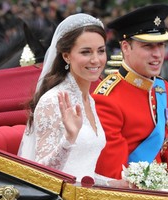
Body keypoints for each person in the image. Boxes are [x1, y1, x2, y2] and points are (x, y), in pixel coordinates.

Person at [92, 4, 168, 195]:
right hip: (132, 194)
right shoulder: (107, 97)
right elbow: (114, 173)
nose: (157, 54)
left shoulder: (162, 89)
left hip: (160, 186)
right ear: (126, 47)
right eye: (148, 46)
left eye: (161, 45)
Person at [17, 13, 116, 185]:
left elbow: (82, 172)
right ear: (66, 56)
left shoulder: (89, 101)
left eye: (101, 51)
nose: (96, 60)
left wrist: (115, 183)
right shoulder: (52, 101)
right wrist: (68, 140)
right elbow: (40, 173)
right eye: (86, 52)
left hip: (86, 198)